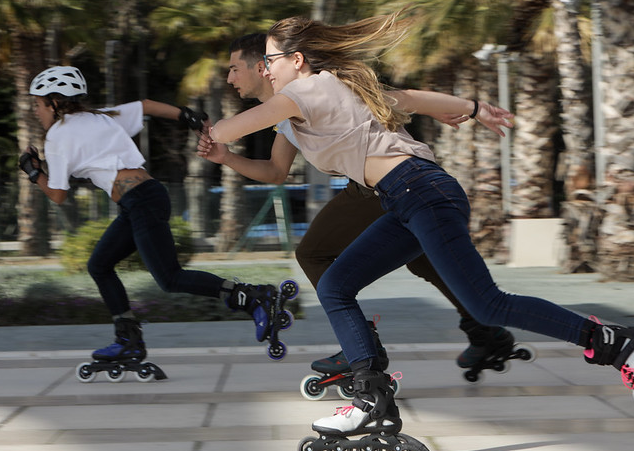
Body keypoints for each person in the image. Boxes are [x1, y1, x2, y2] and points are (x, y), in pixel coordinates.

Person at [207, 12, 634, 440]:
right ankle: (372, 398)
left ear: (298, 59)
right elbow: (408, 98)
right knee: (335, 285)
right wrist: (474, 108)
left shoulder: (301, 90)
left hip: (420, 191)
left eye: (270, 60)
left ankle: (623, 344)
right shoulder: (336, 85)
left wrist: (205, 133)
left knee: (488, 303)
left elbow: (239, 125)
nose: (265, 69)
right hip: (405, 197)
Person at [206, 33, 518, 377]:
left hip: (386, 183)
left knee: (313, 252)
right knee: (423, 260)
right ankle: (486, 331)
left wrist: (470, 108)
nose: (230, 78)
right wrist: (227, 159)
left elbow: (400, 98)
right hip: (388, 183)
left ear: (262, 67)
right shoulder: (285, 109)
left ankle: (361, 342)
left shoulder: (306, 93)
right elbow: (276, 170)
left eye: (235, 68)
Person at [20, 65, 285, 374]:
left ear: (54, 102)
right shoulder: (102, 116)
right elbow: (145, 106)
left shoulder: (57, 135)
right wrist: (187, 115)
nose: (35, 111)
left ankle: (253, 297)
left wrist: (34, 172)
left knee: (169, 278)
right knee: (100, 264)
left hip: (140, 201)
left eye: (37, 104)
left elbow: (58, 195)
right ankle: (127, 338)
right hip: (143, 198)